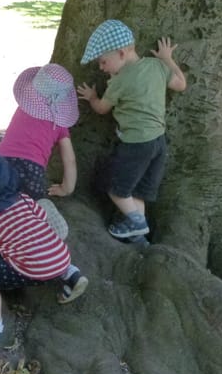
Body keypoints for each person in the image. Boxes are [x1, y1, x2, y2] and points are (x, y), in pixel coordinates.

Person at [0, 144, 88, 346]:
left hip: (31, 271)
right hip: (61, 257)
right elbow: (43, 216)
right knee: (47, 247)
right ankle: (72, 276)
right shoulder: (24, 200)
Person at [76, 19, 187, 240]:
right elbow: (181, 84)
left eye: (103, 61)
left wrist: (92, 97)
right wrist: (167, 59)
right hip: (158, 143)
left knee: (116, 190)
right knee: (137, 192)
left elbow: (101, 109)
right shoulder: (157, 67)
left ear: (121, 53)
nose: (101, 67)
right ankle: (138, 239)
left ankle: (138, 222)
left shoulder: (119, 82)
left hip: (136, 144)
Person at [0, 63, 78, 238]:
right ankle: (41, 208)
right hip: (31, 168)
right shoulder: (60, 124)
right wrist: (66, 188)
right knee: (31, 197)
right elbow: (69, 160)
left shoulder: (23, 108)